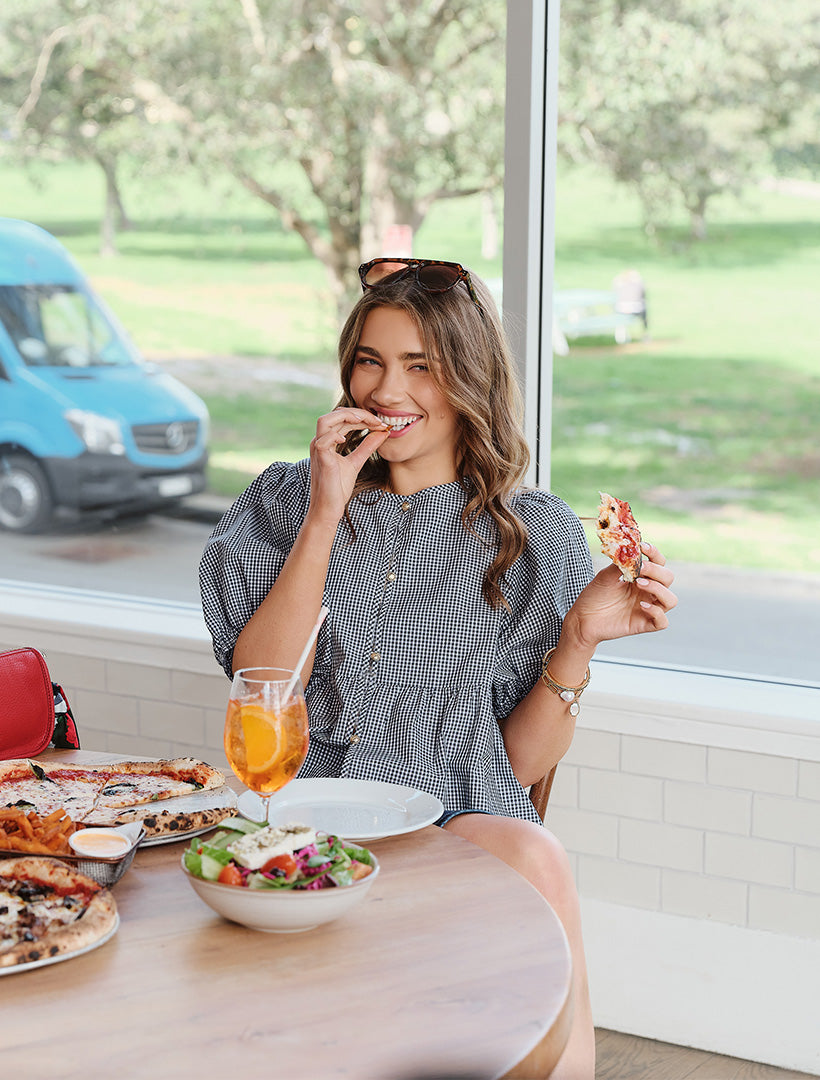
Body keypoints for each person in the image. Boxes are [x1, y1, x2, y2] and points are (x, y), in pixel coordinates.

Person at [199, 257, 677, 1080]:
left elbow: (516, 767)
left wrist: (578, 640)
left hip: (452, 821)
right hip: (307, 816)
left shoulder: (534, 536)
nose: (389, 389)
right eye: (371, 361)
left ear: (469, 379)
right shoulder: (286, 502)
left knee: (540, 857)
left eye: (421, 366)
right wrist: (326, 509)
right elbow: (263, 690)